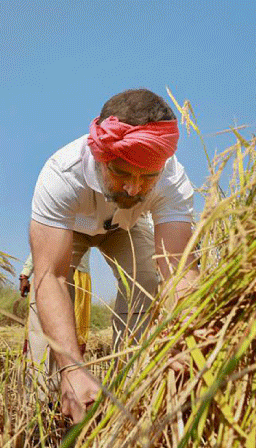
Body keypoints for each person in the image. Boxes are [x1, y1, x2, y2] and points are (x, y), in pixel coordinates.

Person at [28, 88, 199, 423]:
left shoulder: (173, 180)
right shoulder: (62, 173)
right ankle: (49, 399)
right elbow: (53, 277)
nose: (134, 188)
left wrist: (185, 339)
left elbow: (178, 272)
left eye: (147, 177)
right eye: (122, 173)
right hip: (72, 227)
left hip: (125, 226)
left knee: (148, 280)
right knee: (43, 293)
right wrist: (73, 367)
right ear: (101, 156)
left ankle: (134, 380)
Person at [19, 251, 91, 396]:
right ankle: (35, 398)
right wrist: (25, 273)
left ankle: (61, 397)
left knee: (72, 340)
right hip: (48, 273)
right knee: (39, 337)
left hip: (78, 275)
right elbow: (43, 238)